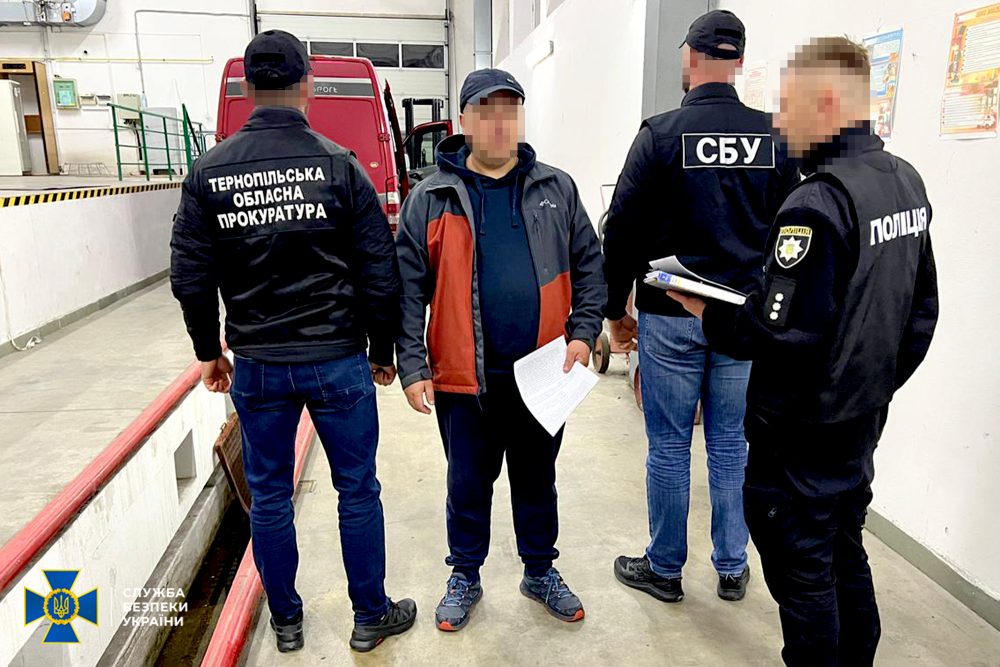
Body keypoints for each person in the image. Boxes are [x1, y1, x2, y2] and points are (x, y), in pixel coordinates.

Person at [669, 37, 938, 666]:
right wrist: (869, 389)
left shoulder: (817, 203)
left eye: (788, 107)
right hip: (859, 422)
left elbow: (777, 333)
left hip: (801, 435)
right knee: (844, 548)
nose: (779, 123)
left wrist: (709, 312)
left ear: (827, 105)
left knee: (804, 569)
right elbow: (920, 316)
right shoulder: (904, 183)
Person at [170, 30, 416, 654]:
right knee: (357, 489)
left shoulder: (208, 173)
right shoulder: (341, 166)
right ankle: (370, 615)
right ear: (308, 85)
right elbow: (379, 270)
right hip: (337, 359)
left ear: (249, 87)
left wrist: (208, 351)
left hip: (258, 363)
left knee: (271, 496)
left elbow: (190, 276)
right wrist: (382, 351)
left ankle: (286, 623)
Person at [395, 68, 606, 632]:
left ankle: (539, 570)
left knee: (537, 480)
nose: (498, 123)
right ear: (464, 121)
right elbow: (408, 289)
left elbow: (590, 266)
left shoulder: (556, 189)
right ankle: (465, 574)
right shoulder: (431, 198)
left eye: (509, 110)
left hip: (543, 373)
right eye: (486, 111)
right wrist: (412, 364)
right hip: (465, 378)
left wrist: (584, 332)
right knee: (468, 483)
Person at [604, 9, 799, 603]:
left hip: (670, 317)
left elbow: (622, 230)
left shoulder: (660, 135)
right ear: (739, 61)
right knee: (731, 444)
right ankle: (733, 565)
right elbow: (793, 232)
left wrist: (614, 311)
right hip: (743, 319)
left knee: (669, 445)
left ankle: (665, 568)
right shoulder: (775, 138)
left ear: (690, 57)